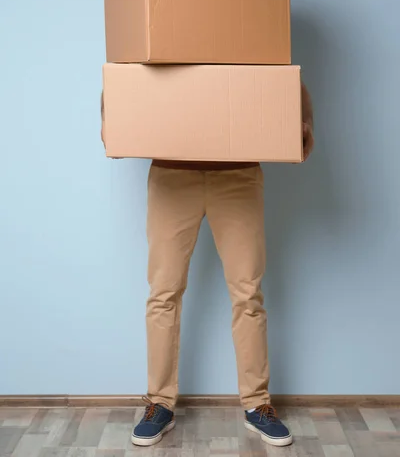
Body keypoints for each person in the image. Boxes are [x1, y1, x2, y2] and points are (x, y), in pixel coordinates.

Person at [101, 82, 314, 448]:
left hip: (238, 174)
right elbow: (125, 75)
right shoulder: (162, 29)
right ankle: (159, 402)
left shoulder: (240, 29)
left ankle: (257, 404)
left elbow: (282, 74)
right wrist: (111, 118)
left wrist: (306, 118)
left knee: (248, 293)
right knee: (163, 292)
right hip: (171, 174)